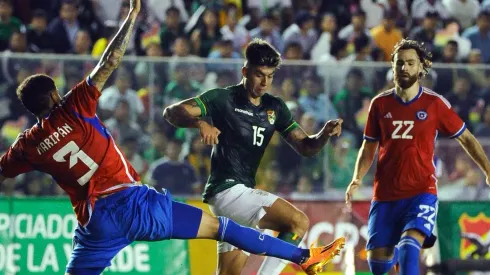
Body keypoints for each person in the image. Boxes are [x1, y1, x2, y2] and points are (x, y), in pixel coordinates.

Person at [0, 2, 343, 275]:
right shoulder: (73, 108)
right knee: (223, 228)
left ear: (31, 110)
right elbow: (110, 61)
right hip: (137, 204)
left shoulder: (26, 145)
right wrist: (132, 15)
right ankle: (301, 256)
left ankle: (302, 257)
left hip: (96, 223)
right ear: (56, 96)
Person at [163, 38, 345, 275]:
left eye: (270, 76)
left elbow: (305, 147)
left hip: (240, 196)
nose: (264, 82)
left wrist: (324, 134)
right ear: (245, 71)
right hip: (227, 191)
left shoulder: (275, 107)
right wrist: (200, 123)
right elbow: (172, 112)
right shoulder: (223, 98)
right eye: (259, 75)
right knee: (298, 222)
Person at [345, 38, 490, 275]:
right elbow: (368, 146)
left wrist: (487, 169)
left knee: (409, 248)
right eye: (399, 63)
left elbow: (466, 138)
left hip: (421, 193)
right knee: (378, 267)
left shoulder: (434, 104)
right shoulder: (379, 104)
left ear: (421, 68)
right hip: (385, 196)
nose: (404, 68)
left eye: (410, 63)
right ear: (392, 67)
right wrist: (357, 178)